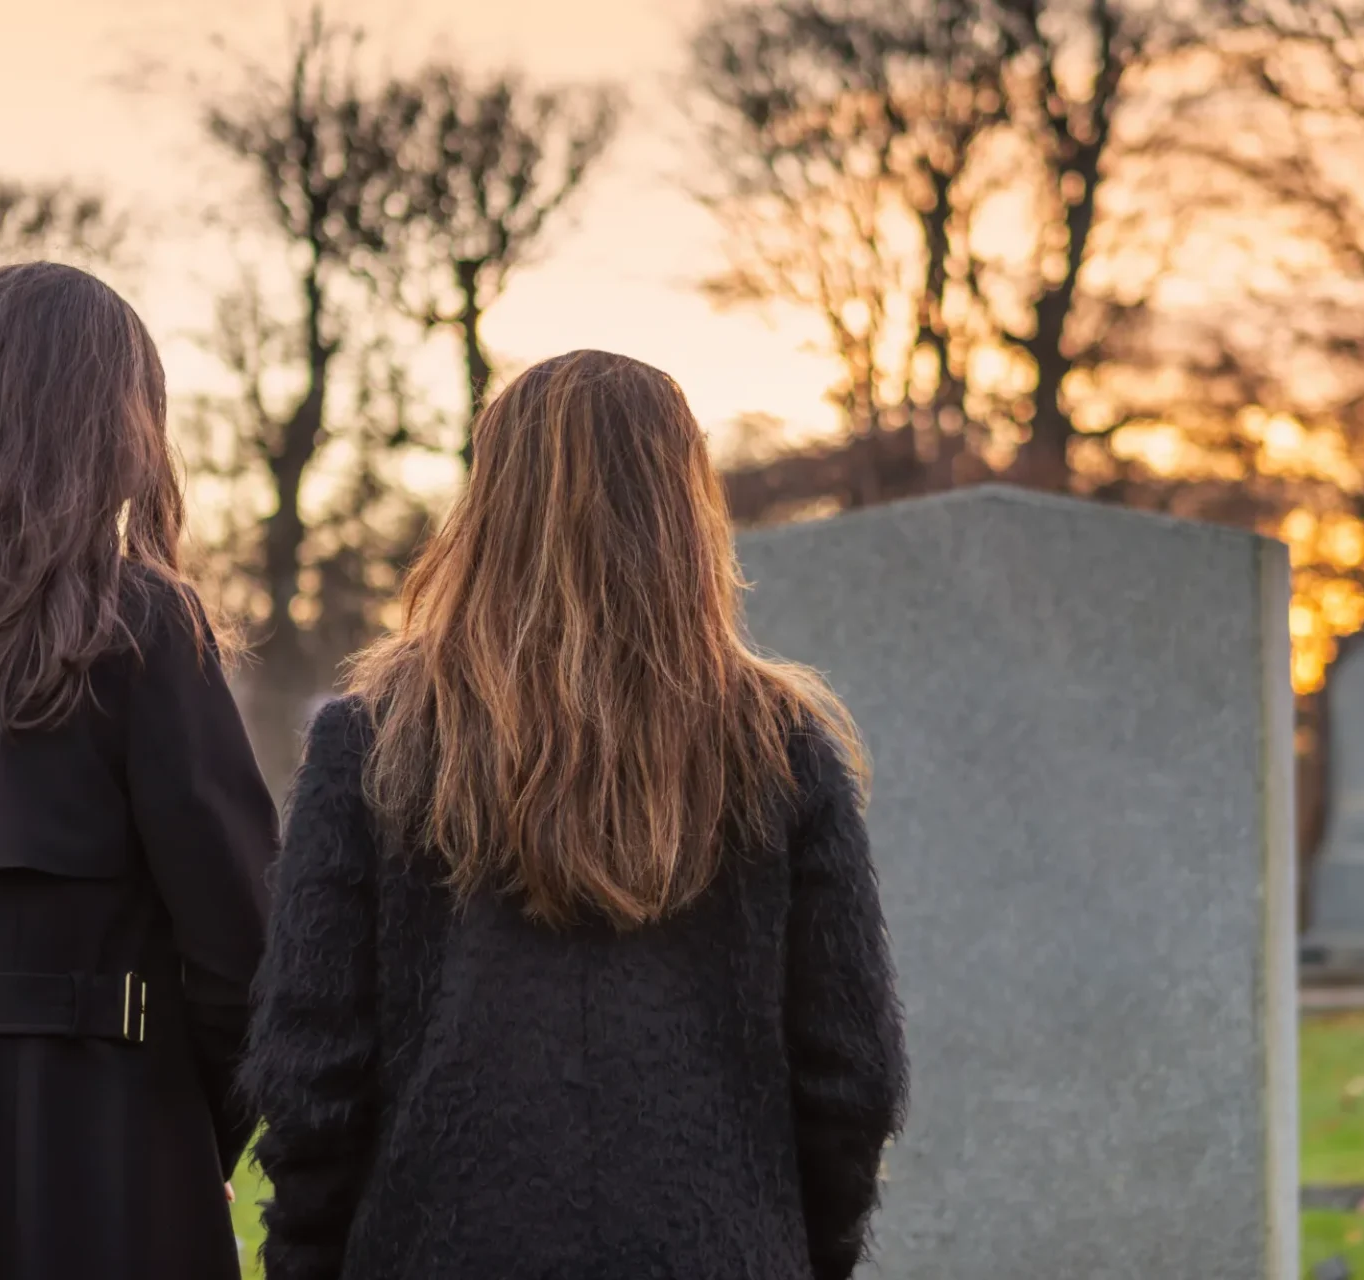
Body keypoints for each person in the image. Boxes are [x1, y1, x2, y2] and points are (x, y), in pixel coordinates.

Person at [247, 349, 908, 1280]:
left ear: (488, 510)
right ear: (687, 513)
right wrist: (804, 1252)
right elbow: (852, 1080)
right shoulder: (780, 750)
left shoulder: (376, 743)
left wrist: (306, 1262)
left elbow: (312, 1081)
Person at [0, 263, 278, 1280]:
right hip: (93, 1133)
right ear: (118, 424)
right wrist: (193, 1136)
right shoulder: (141, 626)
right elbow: (243, 951)